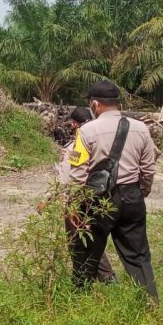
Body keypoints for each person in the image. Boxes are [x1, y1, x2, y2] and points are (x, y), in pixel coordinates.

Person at [69, 80, 158, 301]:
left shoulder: (86, 131)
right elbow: (148, 169)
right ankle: (149, 302)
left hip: (97, 199)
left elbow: (78, 173)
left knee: (87, 252)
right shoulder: (141, 128)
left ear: (95, 104)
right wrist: (140, 193)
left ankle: (81, 301)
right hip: (132, 196)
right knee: (138, 255)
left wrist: (73, 204)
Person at [57, 107, 116, 283]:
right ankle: (104, 280)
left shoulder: (74, 146)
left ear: (73, 124)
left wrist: (68, 204)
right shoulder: (101, 139)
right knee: (92, 240)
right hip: (102, 197)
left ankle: (91, 281)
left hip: (78, 201)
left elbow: (68, 178)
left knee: (79, 242)